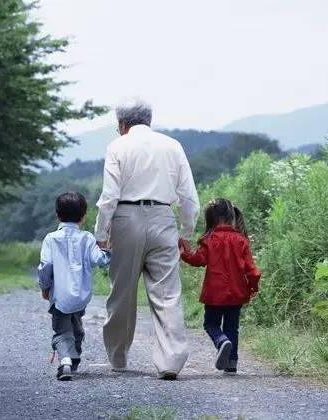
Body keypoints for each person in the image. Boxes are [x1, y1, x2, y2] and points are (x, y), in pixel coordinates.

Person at [95, 98, 200, 379]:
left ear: (122, 124)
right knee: (167, 294)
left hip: (126, 218)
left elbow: (109, 197)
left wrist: (101, 234)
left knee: (122, 292)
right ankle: (170, 362)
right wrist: (186, 233)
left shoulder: (117, 146)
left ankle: (118, 359)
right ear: (149, 120)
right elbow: (189, 197)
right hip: (163, 217)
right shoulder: (172, 146)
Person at [180, 198, 261, 375]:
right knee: (232, 327)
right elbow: (252, 271)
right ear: (231, 216)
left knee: (211, 324)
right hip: (236, 293)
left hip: (214, 293)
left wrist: (184, 252)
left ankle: (221, 341)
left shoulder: (209, 239)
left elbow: (198, 260)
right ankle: (231, 363)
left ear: (211, 219)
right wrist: (253, 287)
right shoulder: (241, 240)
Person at [38, 191, 111, 381]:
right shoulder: (87, 238)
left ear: (57, 214)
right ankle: (75, 359)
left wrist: (44, 286)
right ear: (84, 216)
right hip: (80, 296)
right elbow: (100, 260)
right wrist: (108, 248)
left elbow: (46, 266)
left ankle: (65, 362)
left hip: (59, 296)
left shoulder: (50, 238)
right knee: (76, 327)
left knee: (62, 331)